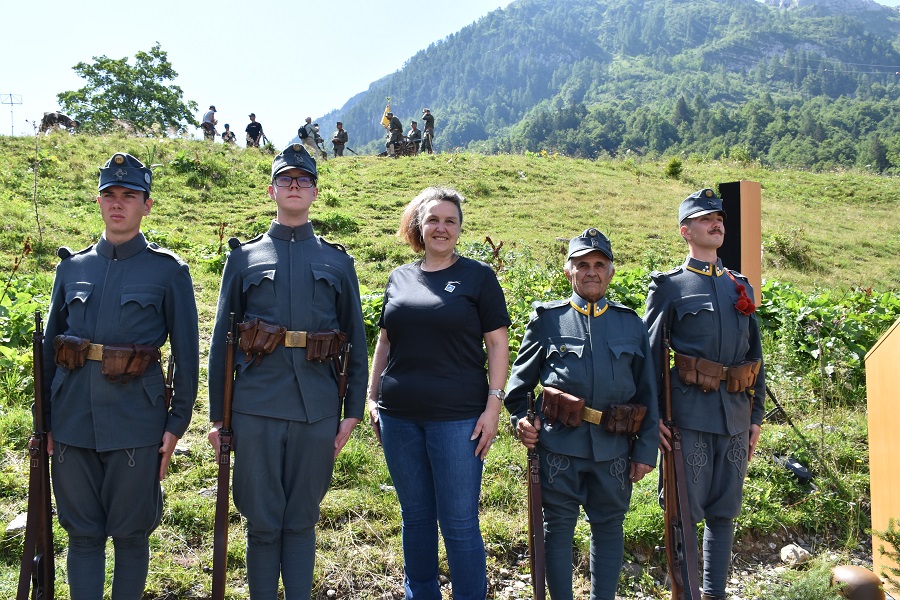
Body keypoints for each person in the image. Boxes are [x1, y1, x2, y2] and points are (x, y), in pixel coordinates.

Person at [207, 143, 367, 598]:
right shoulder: (243, 259)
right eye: (285, 180)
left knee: (300, 522)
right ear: (272, 190)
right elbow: (222, 342)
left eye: (303, 180)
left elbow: (356, 338)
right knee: (261, 523)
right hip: (255, 407)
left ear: (315, 192)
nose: (294, 187)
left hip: (316, 408)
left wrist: (351, 410)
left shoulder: (339, 262)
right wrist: (219, 418)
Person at [42, 152, 199, 599]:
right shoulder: (72, 268)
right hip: (72, 419)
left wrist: (175, 425)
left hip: (137, 422)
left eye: (129, 195)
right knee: (83, 535)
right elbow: (52, 348)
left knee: (131, 535)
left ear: (146, 205)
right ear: (98, 201)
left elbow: (187, 358)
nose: (118, 203)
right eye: (110, 194)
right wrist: (46, 419)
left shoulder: (168, 271)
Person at [367, 187, 510, 599]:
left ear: (460, 228)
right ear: (419, 225)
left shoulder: (478, 276)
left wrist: (493, 407)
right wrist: (372, 396)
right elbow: (385, 342)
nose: (441, 227)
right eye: (433, 219)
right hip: (398, 416)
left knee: (460, 521)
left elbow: (497, 344)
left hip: (459, 418)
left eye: (450, 220)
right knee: (414, 516)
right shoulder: (400, 277)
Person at [505, 228, 659, 600]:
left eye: (599, 264)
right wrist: (521, 420)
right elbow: (518, 388)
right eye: (582, 264)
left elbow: (648, 393)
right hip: (559, 447)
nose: (591, 271)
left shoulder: (630, 323)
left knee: (609, 528)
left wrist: (645, 451)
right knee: (557, 530)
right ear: (568, 271)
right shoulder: (547, 321)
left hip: (615, 451)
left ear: (610, 271)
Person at [643, 188, 765, 600]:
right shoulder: (670, 287)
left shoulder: (739, 287)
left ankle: (714, 595)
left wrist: (756, 419)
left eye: (720, 218)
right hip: (688, 419)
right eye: (706, 218)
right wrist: (654, 417)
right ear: (685, 231)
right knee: (683, 515)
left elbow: (755, 358)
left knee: (725, 513)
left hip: (734, 418)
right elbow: (650, 357)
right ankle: (687, 593)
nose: (717, 223)